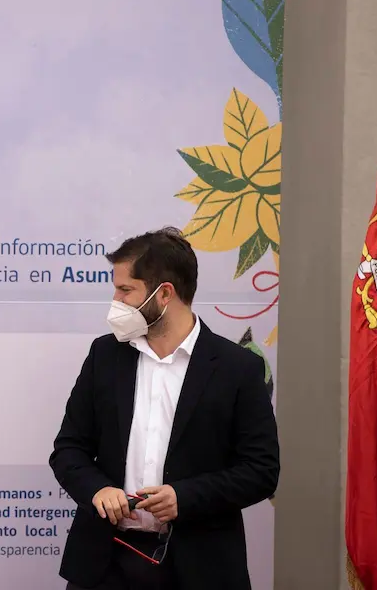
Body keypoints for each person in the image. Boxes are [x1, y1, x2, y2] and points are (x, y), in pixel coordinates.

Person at [49, 227, 280, 589]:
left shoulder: (238, 368)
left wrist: (184, 498)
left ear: (164, 294)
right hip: (105, 564)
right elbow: (68, 449)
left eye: (126, 290)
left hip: (198, 568)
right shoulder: (104, 356)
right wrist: (98, 489)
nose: (117, 300)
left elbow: (261, 471)